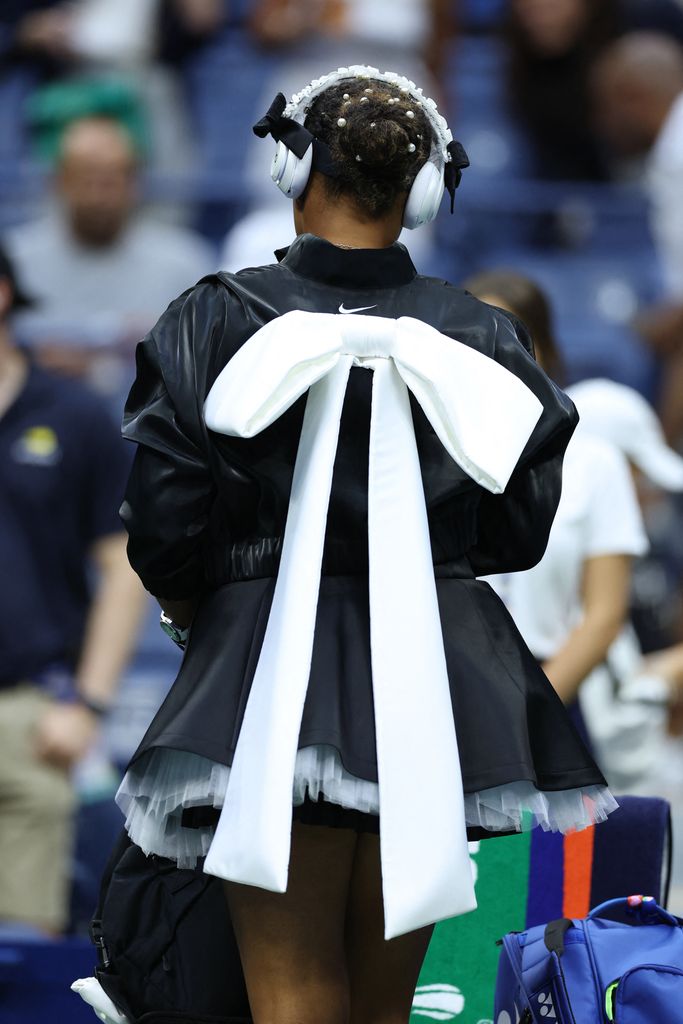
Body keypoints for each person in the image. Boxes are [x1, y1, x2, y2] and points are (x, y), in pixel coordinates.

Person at [112, 67, 614, 1023]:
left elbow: (164, 525)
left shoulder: (212, 314)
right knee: (388, 1006)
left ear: (291, 165)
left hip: (264, 671)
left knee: (291, 992)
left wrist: (202, 608)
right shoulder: (487, 335)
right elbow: (515, 533)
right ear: (424, 191)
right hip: (437, 679)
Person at [0, 244, 146, 935]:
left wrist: (88, 704)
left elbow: (123, 567)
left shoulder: (75, 415)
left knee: (18, 954)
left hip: (31, 717)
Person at [4, 115, 214, 386]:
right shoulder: (15, 261)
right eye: (85, 180)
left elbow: (200, 366)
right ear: (58, 182)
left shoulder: (183, 263)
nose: (97, 197)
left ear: (135, 183)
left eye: (109, 182)